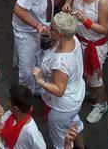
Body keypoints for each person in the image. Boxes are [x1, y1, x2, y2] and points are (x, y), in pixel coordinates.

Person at [33, 12, 85, 149]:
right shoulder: (72, 38)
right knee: (74, 125)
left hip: (62, 106)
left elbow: (59, 90)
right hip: (75, 95)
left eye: (53, 29)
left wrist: (40, 81)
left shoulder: (61, 63)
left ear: (61, 35)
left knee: (60, 142)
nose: (49, 29)